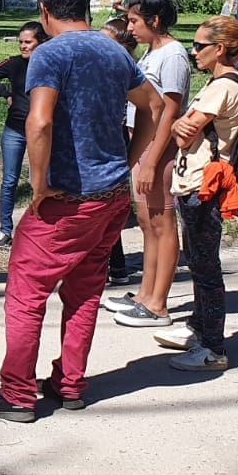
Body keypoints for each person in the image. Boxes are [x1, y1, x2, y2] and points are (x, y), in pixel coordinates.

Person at [0, 0, 161, 422]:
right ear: (86, 7)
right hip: (111, 198)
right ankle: (70, 384)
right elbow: (153, 107)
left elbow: (39, 122)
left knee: (27, 293)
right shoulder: (114, 50)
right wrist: (127, 161)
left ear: (45, 11)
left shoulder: (49, 54)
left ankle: (16, 394)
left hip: (67, 200)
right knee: (86, 291)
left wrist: (38, 182)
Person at [161, 16, 238, 370]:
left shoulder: (223, 87)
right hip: (194, 183)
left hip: (203, 187)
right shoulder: (221, 83)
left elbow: (184, 132)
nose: (193, 52)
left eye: (199, 46)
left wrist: (178, 124)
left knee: (205, 268)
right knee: (199, 261)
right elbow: (186, 127)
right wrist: (181, 125)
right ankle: (198, 329)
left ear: (220, 49)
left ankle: (213, 348)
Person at [102, 0, 191, 330]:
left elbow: (169, 111)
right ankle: (144, 294)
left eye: (135, 21)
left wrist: (153, 160)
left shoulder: (173, 55)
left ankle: (158, 305)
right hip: (144, 147)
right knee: (147, 223)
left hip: (161, 149)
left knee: (163, 222)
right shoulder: (154, 52)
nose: (130, 27)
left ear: (154, 21)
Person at [0, 20, 49, 248]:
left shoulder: (50, 64)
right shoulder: (14, 64)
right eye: (21, 42)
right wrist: (6, 94)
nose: (23, 46)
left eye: (29, 42)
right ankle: (5, 231)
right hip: (14, 130)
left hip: (42, 132)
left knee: (40, 182)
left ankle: (39, 231)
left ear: (41, 42)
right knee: (9, 181)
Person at [101, 16, 139, 287]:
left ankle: (114, 267)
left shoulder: (126, 70)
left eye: (106, 40)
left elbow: (151, 109)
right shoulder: (110, 66)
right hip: (112, 141)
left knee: (107, 210)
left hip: (118, 143)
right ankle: (116, 266)